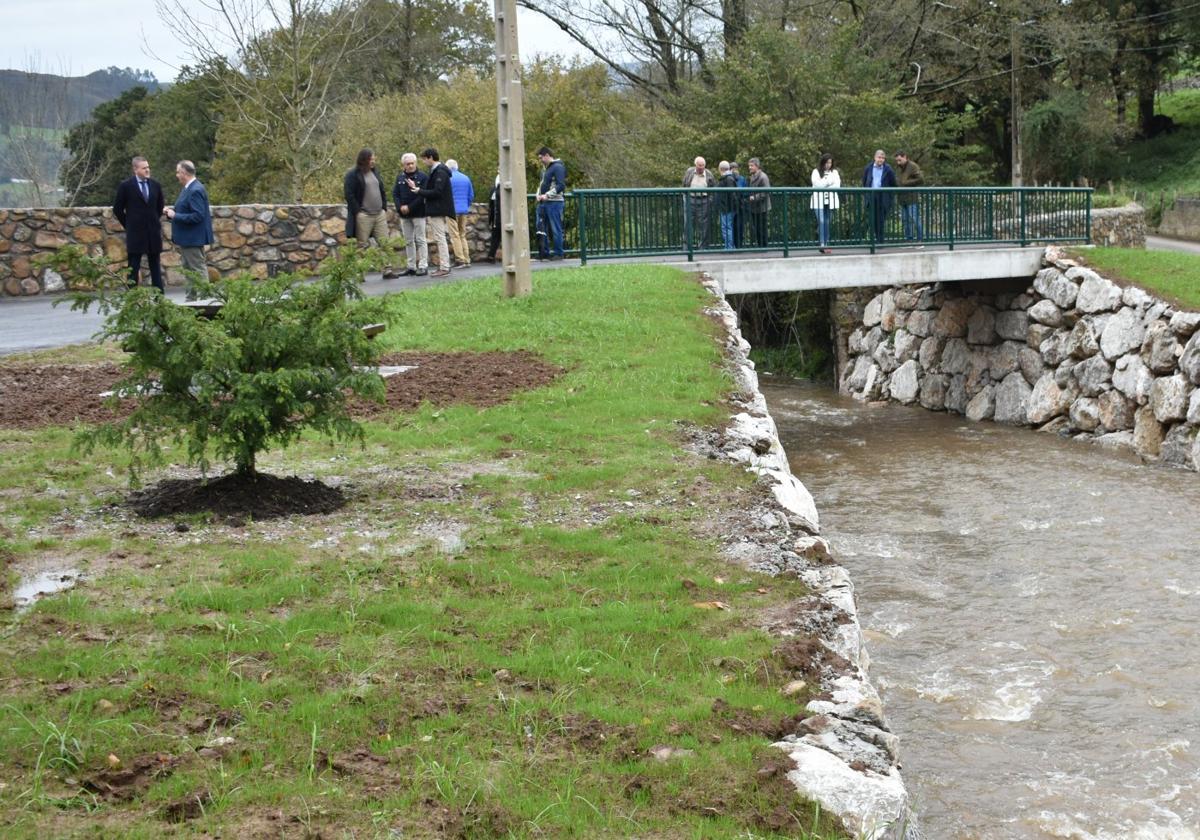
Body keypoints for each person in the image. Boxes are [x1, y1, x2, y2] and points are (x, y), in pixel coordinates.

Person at [112, 156, 165, 292]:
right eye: (144, 168)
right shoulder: (126, 186)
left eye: (148, 167)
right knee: (133, 267)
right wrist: (129, 225)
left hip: (153, 233)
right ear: (135, 169)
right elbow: (117, 209)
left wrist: (152, 221)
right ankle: (132, 299)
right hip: (135, 234)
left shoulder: (155, 185)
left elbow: (159, 207)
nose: (147, 170)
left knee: (155, 268)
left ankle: (159, 299)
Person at [344, 148, 398, 278]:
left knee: (384, 243)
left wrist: (384, 207)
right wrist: (358, 212)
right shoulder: (353, 174)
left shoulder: (375, 172)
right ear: (364, 159)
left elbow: (382, 190)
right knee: (362, 245)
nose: (373, 161)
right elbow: (349, 194)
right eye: (371, 159)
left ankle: (387, 270)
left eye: (374, 159)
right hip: (364, 215)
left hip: (379, 214)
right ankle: (359, 273)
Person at [165, 159, 213, 295]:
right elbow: (185, 209)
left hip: (193, 238)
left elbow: (198, 215)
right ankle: (192, 301)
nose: (176, 175)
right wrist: (171, 212)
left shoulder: (195, 190)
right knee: (189, 270)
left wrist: (175, 216)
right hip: (187, 238)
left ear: (184, 173)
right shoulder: (189, 188)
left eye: (178, 172)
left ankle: (207, 301)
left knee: (197, 269)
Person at [408, 148, 454, 277]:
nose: (423, 162)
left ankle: (445, 266)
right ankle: (444, 265)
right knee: (440, 237)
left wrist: (419, 191)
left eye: (424, 159)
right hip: (437, 208)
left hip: (438, 208)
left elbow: (437, 192)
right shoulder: (437, 171)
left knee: (440, 238)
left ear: (430, 158)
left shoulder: (440, 172)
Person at [393, 152, 428, 276]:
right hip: (404, 215)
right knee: (408, 241)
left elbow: (422, 196)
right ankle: (411, 266)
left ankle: (423, 265)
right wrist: (400, 207)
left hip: (418, 213)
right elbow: (396, 194)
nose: (411, 166)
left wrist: (410, 207)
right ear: (404, 165)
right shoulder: (400, 177)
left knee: (420, 240)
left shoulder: (423, 177)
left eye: (412, 163)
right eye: (408, 164)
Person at [535, 146, 566, 261]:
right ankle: (544, 252)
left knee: (555, 228)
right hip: (543, 202)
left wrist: (547, 195)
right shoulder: (545, 169)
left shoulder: (558, 167)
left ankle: (558, 253)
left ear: (547, 155)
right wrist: (538, 194)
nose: (540, 160)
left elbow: (561, 186)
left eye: (541, 158)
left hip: (554, 203)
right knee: (542, 228)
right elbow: (541, 184)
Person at [861, 149, 897, 243]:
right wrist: (866, 195)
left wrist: (890, 197)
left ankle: (880, 241)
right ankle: (875, 240)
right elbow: (864, 182)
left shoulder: (888, 169)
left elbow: (893, 183)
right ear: (875, 157)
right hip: (871, 196)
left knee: (881, 219)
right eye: (879, 157)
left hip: (883, 196)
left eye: (882, 158)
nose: (880, 160)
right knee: (872, 219)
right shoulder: (868, 167)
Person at [681, 156, 716, 249]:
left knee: (704, 225)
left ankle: (703, 247)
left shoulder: (709, 174)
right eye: (699, 165)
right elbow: (684, 184)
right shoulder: (689, 172)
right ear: (695, 165)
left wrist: (710, 200)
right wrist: (685, 197)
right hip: (690, 199)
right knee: (687, 223)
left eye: (703, 165)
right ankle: (686, 247)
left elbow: (713, 188)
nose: (701, 167)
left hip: (704, 200)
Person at [810, 153, 840, 255]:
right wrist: (828, 181)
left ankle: (826, 243)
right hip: (818, 201)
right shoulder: (816, 172)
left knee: (827, 222)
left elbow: (837, 186)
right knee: (821, 221)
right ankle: (822, 244)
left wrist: (825, 184)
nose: (828, 165)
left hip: (830, 201)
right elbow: (817, 185)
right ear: (823, 162)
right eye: (827, 162)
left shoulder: (834, 172)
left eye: (830, 162)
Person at [446, 159, 474, 268]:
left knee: (454, 235)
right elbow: (471, 195)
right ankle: (467, 259)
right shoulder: (466, 178)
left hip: (452, 210)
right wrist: (466, 205)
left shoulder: (448, 178)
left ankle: (460, 259)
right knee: (462, 235)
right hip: (464, 210)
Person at [894, 151, 924, 246]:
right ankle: (908, 240)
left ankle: (920, 240)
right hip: (902, 197)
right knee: (905, 219)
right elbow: (898, 181)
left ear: (905, 157)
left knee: (914, 218)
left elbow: (921, 179)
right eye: (897, 160)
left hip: (911, 197)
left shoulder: (913, 166)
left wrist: (906, 183)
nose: (898, 162)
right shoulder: (898, 168)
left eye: (899, 160)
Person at [746, 157, 771, 248]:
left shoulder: (763, 177)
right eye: (749, 166)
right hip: (754, 207)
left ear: (757, 166)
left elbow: (766, 191)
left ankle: (764, 246)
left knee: (762, 228)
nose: (750, 167)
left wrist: (754, 197)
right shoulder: (752, 176)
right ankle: (760, 246)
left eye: (751, 166)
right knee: (756, 228)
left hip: (762, 207)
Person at [716, 160, 739, 250]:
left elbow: (732, 194)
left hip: (727, 208)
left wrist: (729, 207)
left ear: (720, 169)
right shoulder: (729, 178)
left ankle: (729, 247)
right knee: (726, 227)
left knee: (726, 227)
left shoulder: (728, 178)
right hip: (727, 207)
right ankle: (729, 246)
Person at [730, 161, 747, 248]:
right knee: (731, 226)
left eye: (736, 168)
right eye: (732, 168)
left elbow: (746, 192)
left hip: (740, 206)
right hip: (731, 206)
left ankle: (739, 245)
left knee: (740, 226)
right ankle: (731, 245)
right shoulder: (729, 179)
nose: (734, 170)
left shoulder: (742, 179)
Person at [486, 173, 501, 263]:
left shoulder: (494, 190)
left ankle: (491, 256)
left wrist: (491, 220)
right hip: (501, 217)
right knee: (497, 237)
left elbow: (491, 206)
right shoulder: (499, 190)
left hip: (496, 217)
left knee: (495, 237)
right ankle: (491, 256)